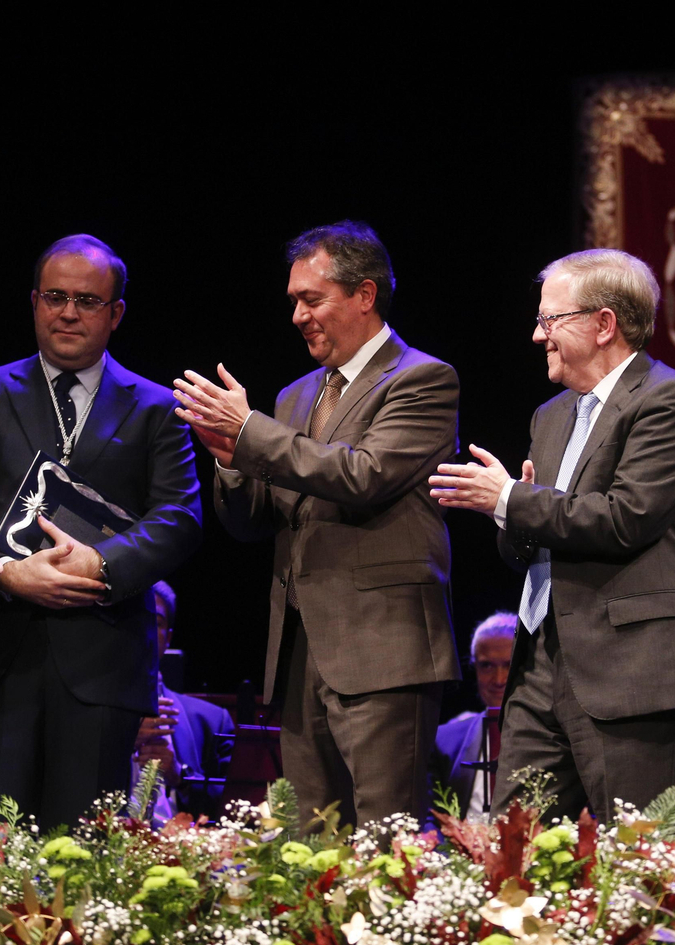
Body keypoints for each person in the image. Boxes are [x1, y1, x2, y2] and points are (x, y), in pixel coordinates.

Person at [173, 221, 460, 830]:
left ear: (364, 294)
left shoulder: (422, 379)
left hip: (384, 650)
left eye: (312, 299)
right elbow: (254, 523)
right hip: (303, 651)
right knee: (314, 842)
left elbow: (364, 476)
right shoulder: (295, 397)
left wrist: (251, 432)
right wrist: (231, 458)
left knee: (386, 842)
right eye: (294, 302)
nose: (298, 316)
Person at [430, 248, 675, 824]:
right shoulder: (552, 415)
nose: (538, 336)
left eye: (549, 320)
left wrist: (511, 498)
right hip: (538, 664)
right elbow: (534, 536)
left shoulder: (667, 400)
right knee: (518, 852)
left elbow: (623, 518)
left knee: (638, 860)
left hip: (628, 672)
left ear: (604, 323)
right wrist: (509, 516)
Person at [0, 234, 203, 831]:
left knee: (82, 863)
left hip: (102, 666)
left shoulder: (158, 407)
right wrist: (7, 573)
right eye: (54, 296)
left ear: (116, 314)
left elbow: (179, 518)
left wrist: (100, 565)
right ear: (34, 301)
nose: (68, 312)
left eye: (87, 300)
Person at [133, 581, 234, 821]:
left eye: (156, 622)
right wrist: (125, 738)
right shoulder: (82, 715)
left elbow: (233, 806)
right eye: (136, 621)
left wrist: (180, 776)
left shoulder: (213, 721)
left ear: (168, 637)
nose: (145, 630)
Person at [433, 611, 516, 822]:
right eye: (487, 666)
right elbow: (429, 815)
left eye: (509, 665)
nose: (499, 679)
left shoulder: (557, 738)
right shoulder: (443, 740)